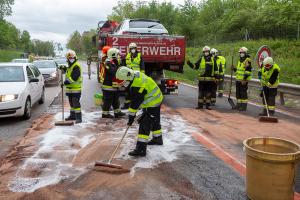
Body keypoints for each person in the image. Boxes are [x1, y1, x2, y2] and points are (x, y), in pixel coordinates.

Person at [116, 66, 163, 157]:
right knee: (154, 119)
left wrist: (130, 119)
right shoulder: (134, 74)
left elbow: (134, 105)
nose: (122, 83)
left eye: (123, 81)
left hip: (152, 101)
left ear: (128, 78)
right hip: (157, 97)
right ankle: (158, 138)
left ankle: (141, 150)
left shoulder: (138, 86)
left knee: (145, 123)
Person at [102, 48, 125, 118]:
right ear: (113, 55)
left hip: (114, 86)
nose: (119, 56)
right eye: (118, 55)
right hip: (108, 86)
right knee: (108, 100)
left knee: (115, 100)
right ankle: (105, 114)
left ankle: (117, 112)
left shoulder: (113, 62)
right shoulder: (108, 63)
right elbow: (113, 72)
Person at [121, 42, 145, 109]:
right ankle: (126, 105)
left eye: (133, 48)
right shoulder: (128, 56)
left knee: (136, 91)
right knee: (127, 90)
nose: (132, 50)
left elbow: (142, 66)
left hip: (137, 76)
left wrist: (142, 76)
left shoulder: (139, 56)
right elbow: (124, 65)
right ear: (129, 49)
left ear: (136, 48)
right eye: (131, 48)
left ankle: (136, 105)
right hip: (129, 76)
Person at [63, 50, 83, 123]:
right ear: (67, 59)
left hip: (76, 89)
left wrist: (66, 82)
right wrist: (64, 69)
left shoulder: (76, 65)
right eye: (70, 58)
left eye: (72, 58)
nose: (71, 59)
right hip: (70, 89)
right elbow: (69, 73)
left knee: (76, 103)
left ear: (75, 57)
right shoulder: (70, 65)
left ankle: (79, 118)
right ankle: (72, 115)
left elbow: (75, 76)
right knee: (71, 104)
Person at [232, 47, 252, 111]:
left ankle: (243, 106)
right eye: (240, 53)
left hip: (243, 80)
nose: (241, 54)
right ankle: (238, 105)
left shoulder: (247, 60)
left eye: (242, 53)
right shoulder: (240, 60)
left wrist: (244, 79)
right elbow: (239, 70)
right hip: (238, 79)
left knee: (243, 93)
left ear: (245, 53)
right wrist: (234, 69)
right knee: (238, 93)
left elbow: (248, 71)